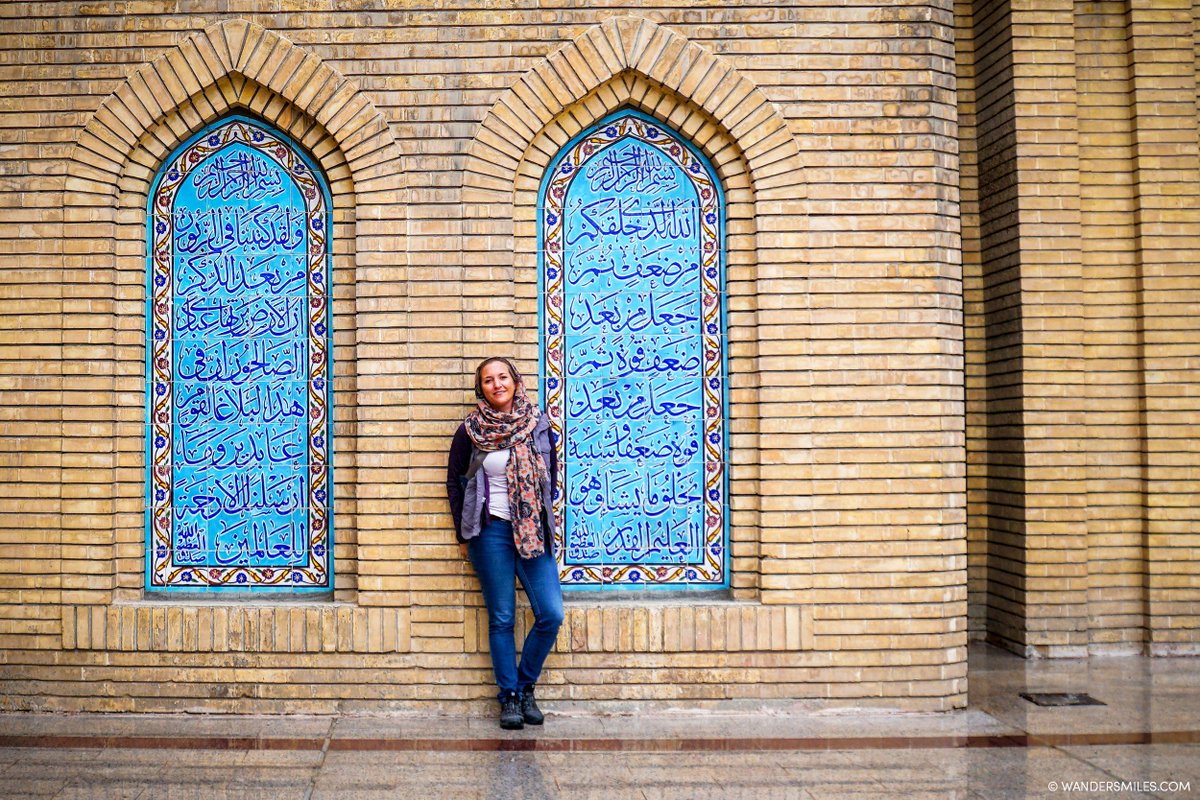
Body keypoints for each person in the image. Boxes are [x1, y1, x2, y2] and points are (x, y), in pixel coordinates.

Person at [446, 356, 563, 730]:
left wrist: (535, 514)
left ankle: (526, 685)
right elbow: (455, 483)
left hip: (532, 531)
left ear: (515, 380)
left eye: (502, 377)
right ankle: (509, 697)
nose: (497, 385)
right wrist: (463, 533)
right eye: (487, 380)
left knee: (550, 614)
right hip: (491, 531)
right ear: (480, 388)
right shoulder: (470, 431)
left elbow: (552, 473)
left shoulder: (538, 425)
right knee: (502, 618)